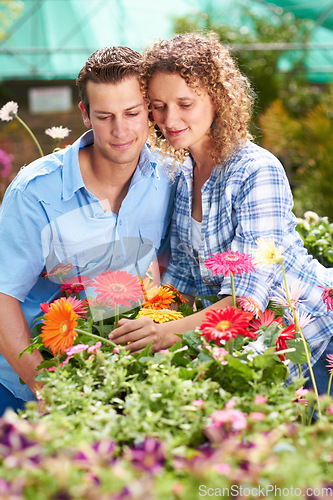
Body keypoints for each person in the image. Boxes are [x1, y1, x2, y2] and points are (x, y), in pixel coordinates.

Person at [110, 33, 333, 395]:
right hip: (252, 350)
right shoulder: (182, 175)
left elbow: (246, 302)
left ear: (217, 100)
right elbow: (183, 275)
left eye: (185, 104)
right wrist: (142, 318)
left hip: (313, 340)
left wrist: (165, 332)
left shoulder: (256, 171)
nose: (170, 119)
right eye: (158, 105)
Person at [0, 46, 178, 416]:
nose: (121, 131)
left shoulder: (169, 177)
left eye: (132, 113)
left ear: (149, 109)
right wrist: (48, 390)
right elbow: (2, 296)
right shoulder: (36, 192)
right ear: (85, 116)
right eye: (105, 116)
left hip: (122, 380)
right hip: (29, 386)